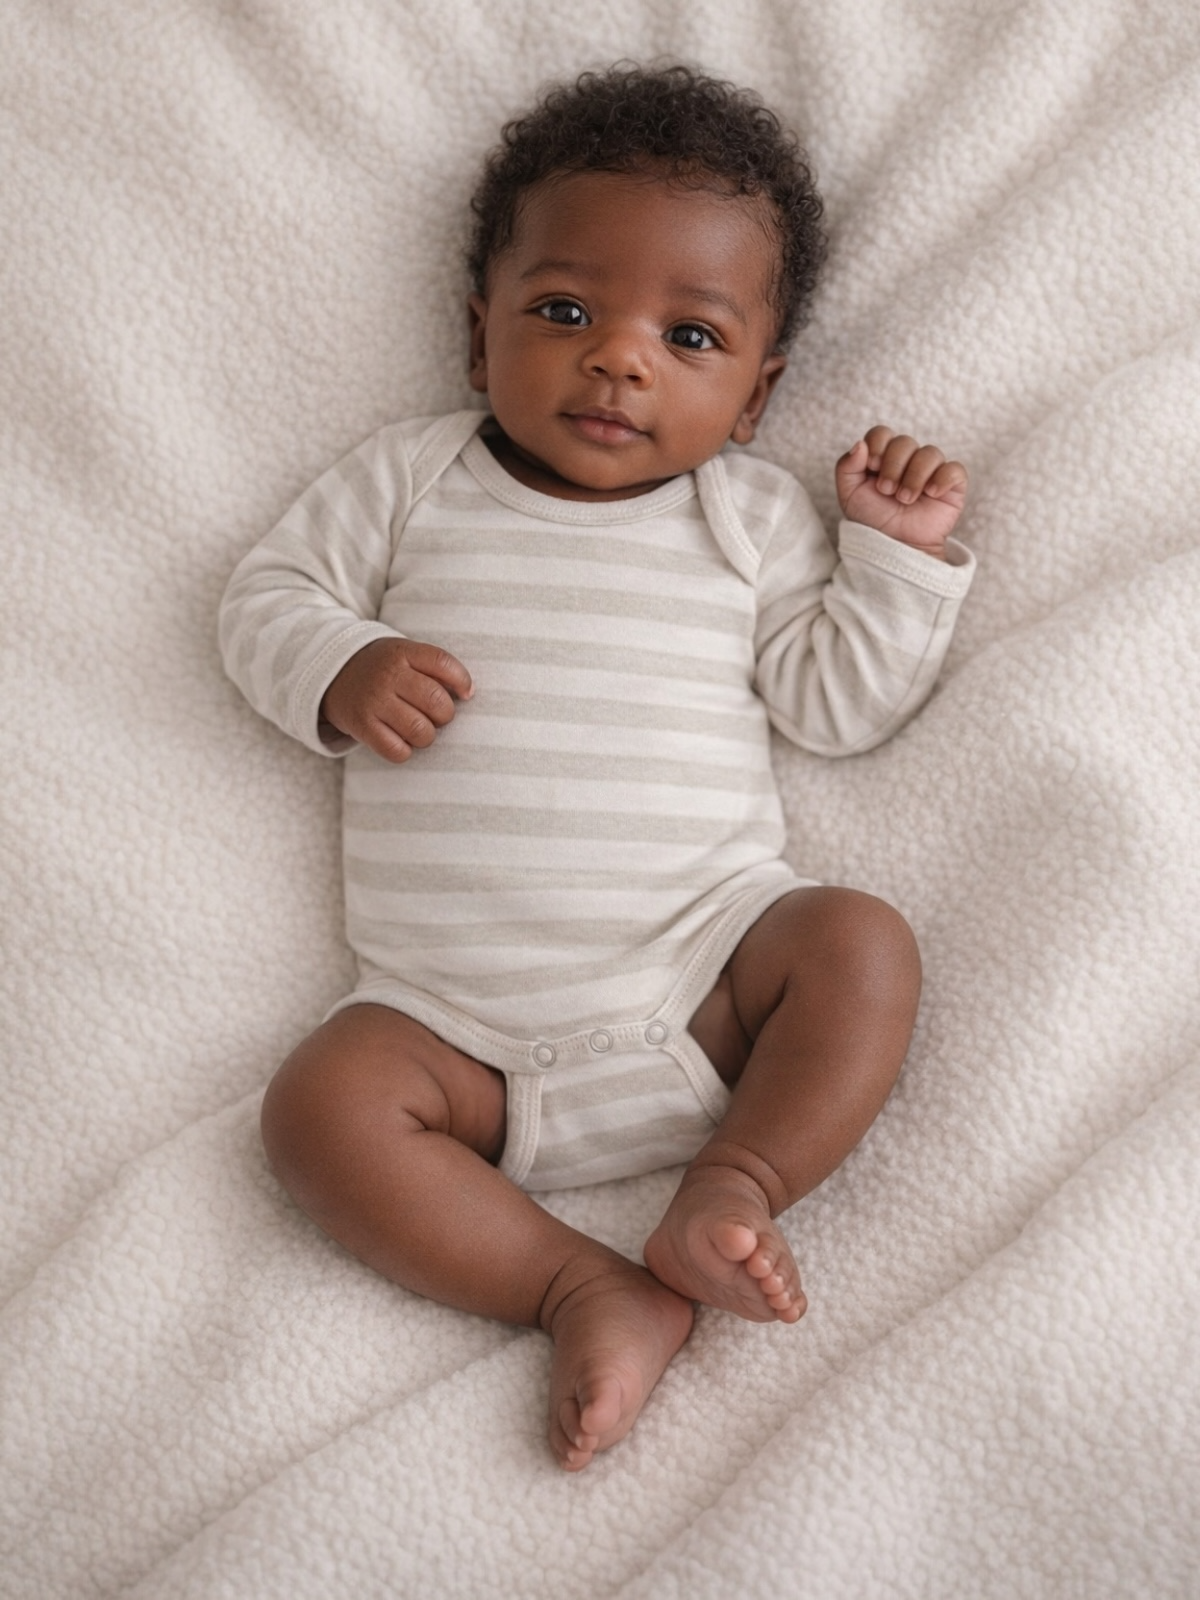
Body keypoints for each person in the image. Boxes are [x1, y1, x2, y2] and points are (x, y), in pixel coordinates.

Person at [219, 63, 974, 1472]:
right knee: (316, 1108)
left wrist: (888, 556)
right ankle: (580, 1285)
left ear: (758, 395)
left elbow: (835, 705)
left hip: (706, 981)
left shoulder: (747, 516)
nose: (619, 358)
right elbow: (261, 600)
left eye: (690, 335)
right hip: (454, 1043)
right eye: (565, 312)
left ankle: (733, 1182)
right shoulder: (409, 479)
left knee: (858, 941)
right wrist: (338, 665)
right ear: (476, 331)